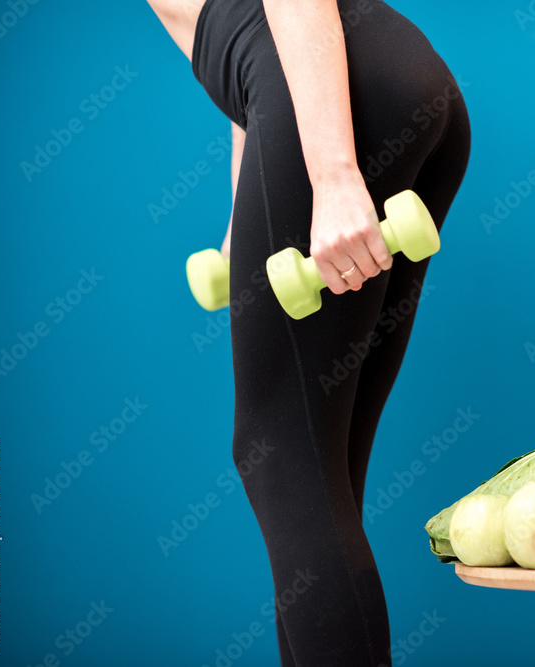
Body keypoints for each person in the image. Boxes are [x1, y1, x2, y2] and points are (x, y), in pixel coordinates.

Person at [146, 0, 471, 664]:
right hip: (388, 78)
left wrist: (334, 174)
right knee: (318, 479)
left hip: (340, 91)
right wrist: (247, 212)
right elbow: (250, 73)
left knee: (279, 453)